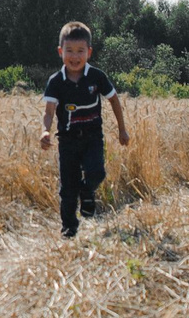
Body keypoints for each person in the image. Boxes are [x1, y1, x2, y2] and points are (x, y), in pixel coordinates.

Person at [39, 21, 130, 238]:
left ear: (89, 52)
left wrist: (122, 129)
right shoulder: (55, 82)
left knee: (96, 172)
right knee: (67, 188)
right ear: (60, 52)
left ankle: (87, 191)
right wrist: (45, 131)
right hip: (67, 140)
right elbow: (49, 111)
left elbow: (114, 101)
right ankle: (69, 229)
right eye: (69, 51)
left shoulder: (97, 77)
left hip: (92, 138)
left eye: (80, 51)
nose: (75, 56)